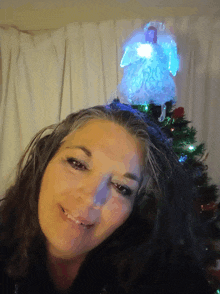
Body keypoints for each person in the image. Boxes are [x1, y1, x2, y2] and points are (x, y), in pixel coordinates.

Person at [0, 101, 218, 294]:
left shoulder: (167, 275)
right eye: (77, 163)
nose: (91, 197)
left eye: (121, 187)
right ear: (45, 161)